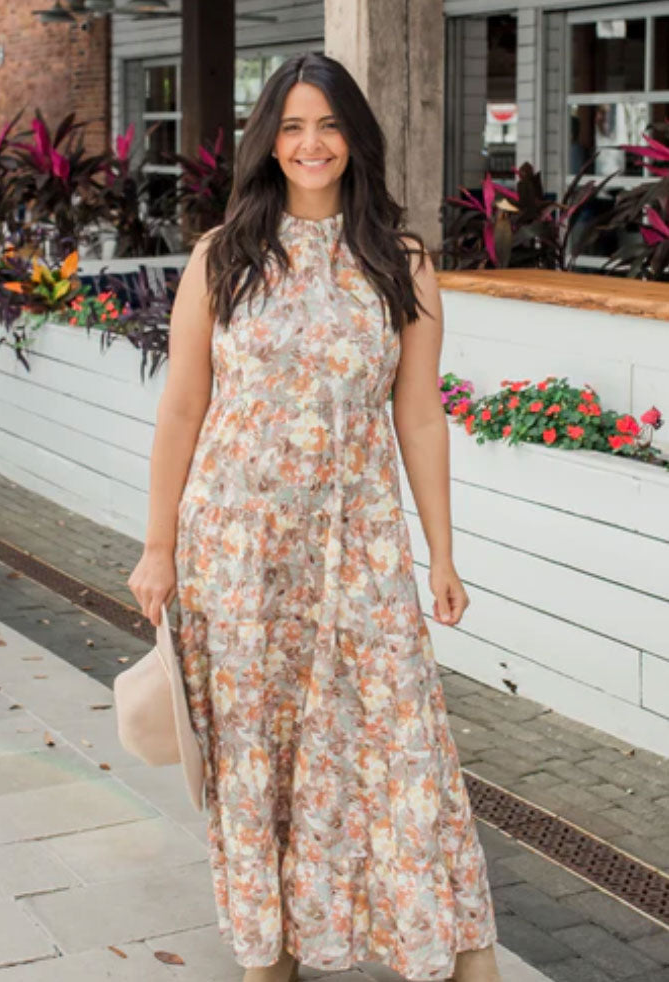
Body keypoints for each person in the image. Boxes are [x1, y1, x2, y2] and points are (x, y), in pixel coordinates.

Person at [128, 51, 501, 982]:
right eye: (292, 126)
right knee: (261, 755)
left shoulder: (398, 261)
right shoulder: (223, 256)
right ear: (269, 140)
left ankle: (457, 952)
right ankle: (273, 950)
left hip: (360, 546)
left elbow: (418, 413)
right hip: (238, 551)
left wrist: (441, 553)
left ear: (354, 139)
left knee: (402, 744)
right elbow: (183, 407)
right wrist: (158, 546)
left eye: (328, 124)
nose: (311, 143)